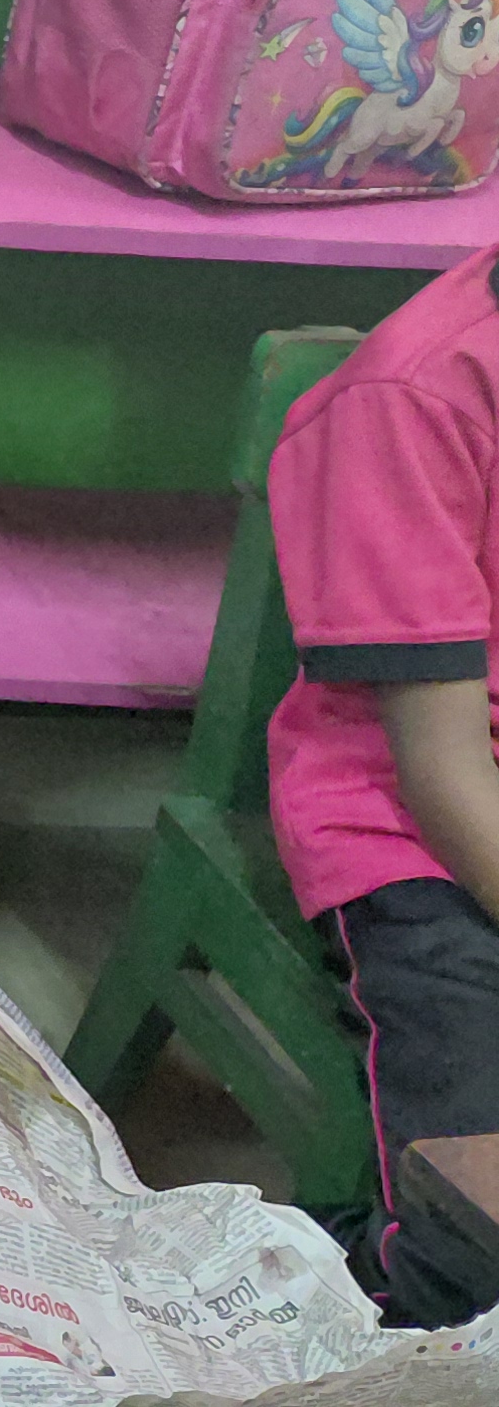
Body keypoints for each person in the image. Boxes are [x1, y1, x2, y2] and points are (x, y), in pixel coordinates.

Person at [262, 255, 499, 1327]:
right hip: (424, 830)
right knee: (473, 1245)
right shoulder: (413, 397)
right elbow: (444, 776)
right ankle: (368, 1289)